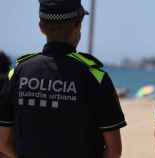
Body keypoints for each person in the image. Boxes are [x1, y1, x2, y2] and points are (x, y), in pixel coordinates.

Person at [0, 0, 126, 158]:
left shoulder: (18, 73)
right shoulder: (95, 77)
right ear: (78, 24)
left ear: (41, 27)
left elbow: (3, 143)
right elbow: (114, 151)